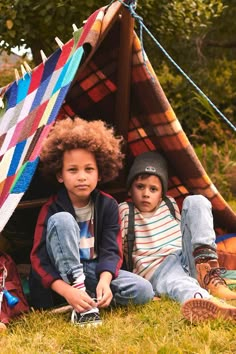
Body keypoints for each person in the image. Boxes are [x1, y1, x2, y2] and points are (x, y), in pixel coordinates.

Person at [30, 117, 154, 326]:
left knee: (143, 290)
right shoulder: (51, 208)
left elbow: (111, 250)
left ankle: (88, 300)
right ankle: (78, 301)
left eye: (89, 169)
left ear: (100, 172)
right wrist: (67, 289)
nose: (82, 177)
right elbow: (39, 260)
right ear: (60, 175)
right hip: (61, 277)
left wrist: (105, 281)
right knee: (62, 220)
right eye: (73, 170)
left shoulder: (108, 205)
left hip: (93, 270)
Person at [119, 151, 236, 323]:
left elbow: (188, 230)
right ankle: (208, 303)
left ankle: (208, 273)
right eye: (140, 186)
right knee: (180, 284)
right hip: (159, 268)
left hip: (186, 256)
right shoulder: (124, 210)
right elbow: (116, 249)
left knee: (197, 201)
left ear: (161, 194)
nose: (146, 193)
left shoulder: (169, 204)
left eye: (153, 189)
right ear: (130, 188)